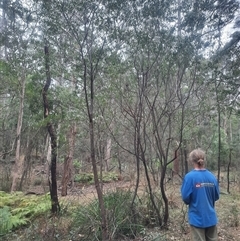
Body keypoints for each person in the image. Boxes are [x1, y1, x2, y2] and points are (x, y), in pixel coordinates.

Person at [181, 148, 220, 241]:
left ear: (191, 161)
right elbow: (216, 196)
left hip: (197, 219)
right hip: (211, 218)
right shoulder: (212, 177)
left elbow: (185, 198)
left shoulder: (189, 177)